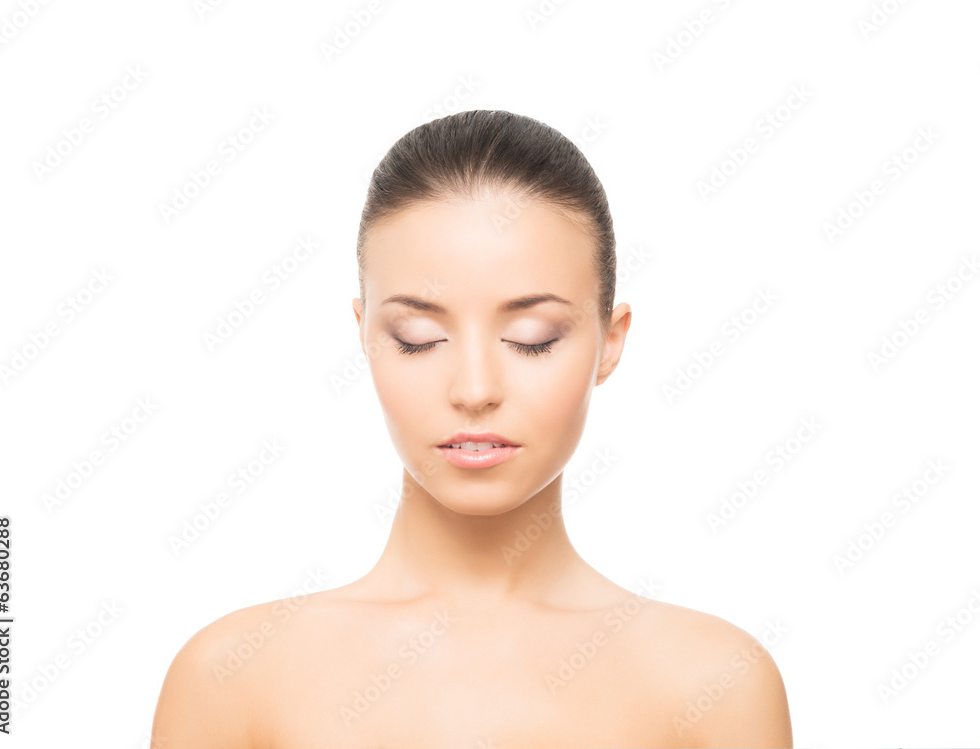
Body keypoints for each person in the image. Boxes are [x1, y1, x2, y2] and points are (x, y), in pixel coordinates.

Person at [151, 109, 793, 747]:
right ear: (366, 336)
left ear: (610, 342)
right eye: (418, 338)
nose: (475, 390)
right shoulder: (230, 679)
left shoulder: (715, 684)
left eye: (532, 339)